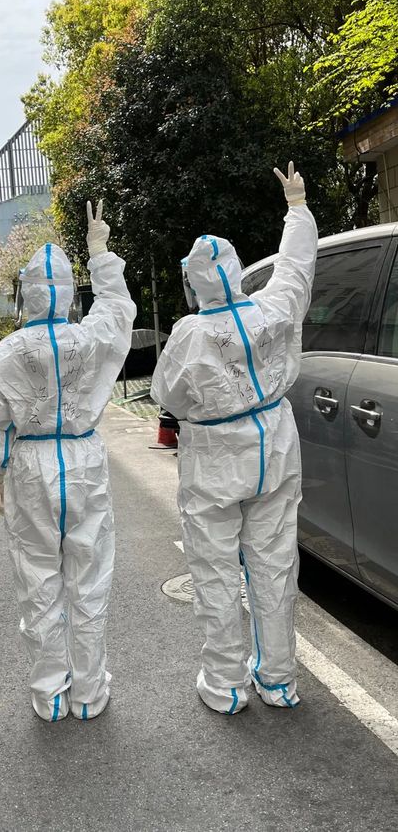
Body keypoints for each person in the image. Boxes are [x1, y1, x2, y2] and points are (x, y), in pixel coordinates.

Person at [151, 163, 318, 714]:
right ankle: (280, 680)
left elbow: (167, 395)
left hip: (215, 460)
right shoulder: (273, 308)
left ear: (194, 282)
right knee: (275, 566)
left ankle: (225, 685)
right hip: (275, 445)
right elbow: (295, 267)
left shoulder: (190, 334)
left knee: (216, 571)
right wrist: (296, 209)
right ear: (237, 269)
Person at [0, 201, 136, 722]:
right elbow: (118, 308)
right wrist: (100, 252)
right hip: (83, 458)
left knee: (38, 580)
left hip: (31, 463)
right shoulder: (90, 338)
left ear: (26, 293)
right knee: (89, 578)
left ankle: (50, 694)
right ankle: (89, 692)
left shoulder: (9, 351)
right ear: (68, 293)